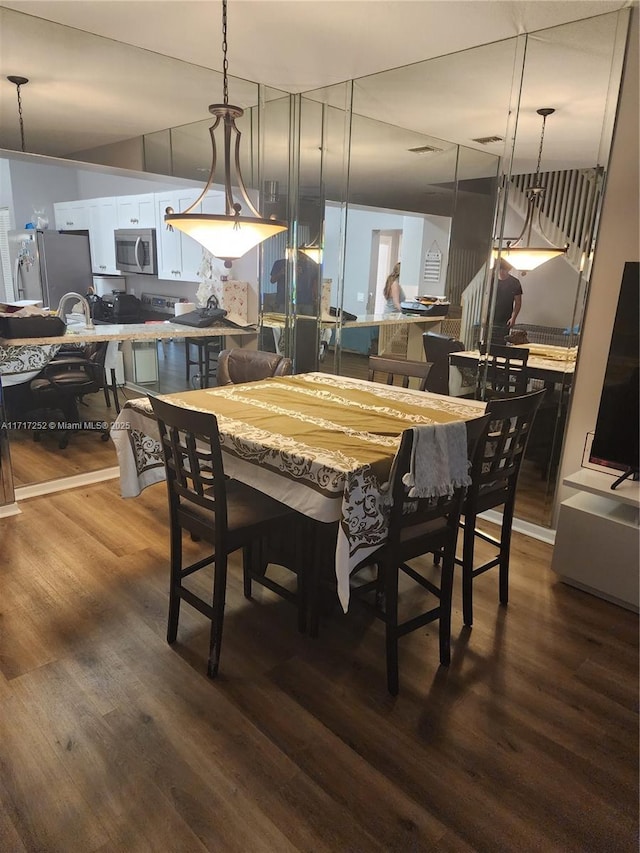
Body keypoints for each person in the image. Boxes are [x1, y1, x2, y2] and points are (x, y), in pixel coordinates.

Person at [492, 257, 522, 342]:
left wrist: (513, 318)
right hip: (490, 317)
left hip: (505, 319)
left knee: (502, 342)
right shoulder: (492, 280)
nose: (502, 272)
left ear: (508, 270)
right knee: (489, 342)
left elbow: (518, 302)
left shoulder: (515, 282)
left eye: (504, 270)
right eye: (500, 269)